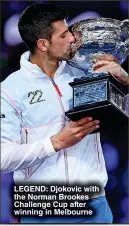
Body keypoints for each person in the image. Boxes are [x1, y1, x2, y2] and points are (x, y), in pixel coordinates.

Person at [1, 3, 128, 224]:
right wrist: (55, 143)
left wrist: (125, 80)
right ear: (42, 44)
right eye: (64, 34)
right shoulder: (9, 90)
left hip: (94, 205)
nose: (73, 38)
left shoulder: (88, 70)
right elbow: (3, 159)